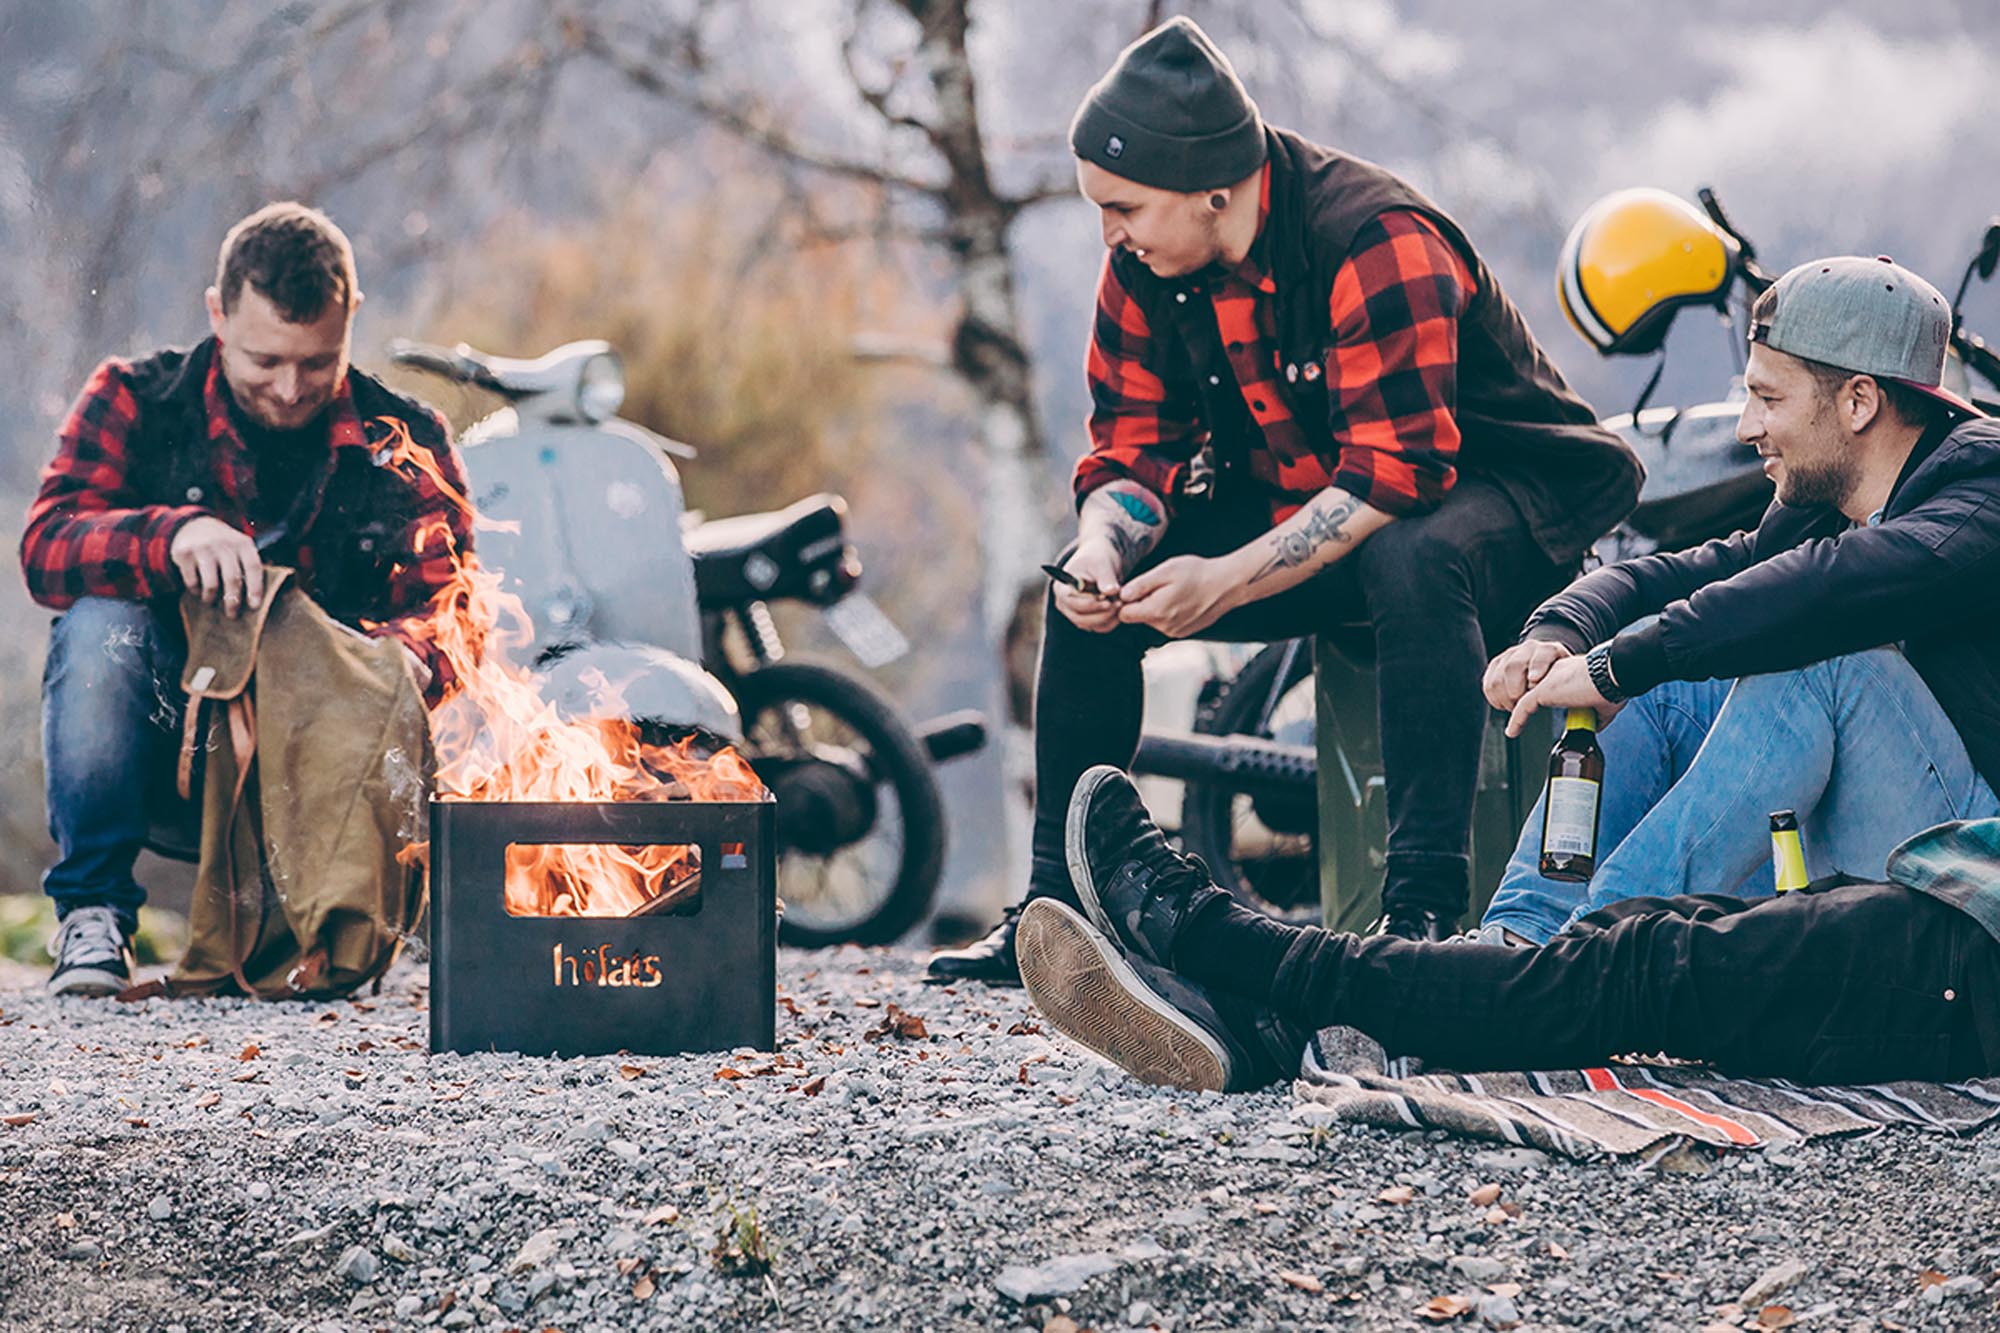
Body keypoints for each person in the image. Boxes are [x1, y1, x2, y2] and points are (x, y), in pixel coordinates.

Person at [928, 17, 1641, 984]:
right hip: (1318, 491)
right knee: (1084, 597)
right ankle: (1058, 911)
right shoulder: (1149, 265)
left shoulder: (1376, 238)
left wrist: (1223, 582)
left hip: (1509, 501)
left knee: (1413, 551)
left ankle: (1422, 915)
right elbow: (1134, 448)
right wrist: (1102, 543)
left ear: (1212, 190)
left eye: (1125, 207)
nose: (1110, 233)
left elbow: (1396, 471)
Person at [1475, 255, 2000, 944]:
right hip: (1874, 844)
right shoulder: (1819, 505)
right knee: (1657, 691)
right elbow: (1675, 580)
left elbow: (1827, 590)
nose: (1745, 426)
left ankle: (1578, 964)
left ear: (1859, 401)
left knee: (1820, 659)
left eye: (1770, 398)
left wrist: (1617, 665)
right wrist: (1562, 633)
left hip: (1973, 872)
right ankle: (1514, 942)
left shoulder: (1980, 490)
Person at [20, 201, 471, 997]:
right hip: (168, 755)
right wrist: (168, 537)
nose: (292, 388)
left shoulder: (409, 438)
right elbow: (46, 548)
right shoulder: (132, 397)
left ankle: (369, 919)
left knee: (404, 677)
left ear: (351, 317)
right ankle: (92, 912)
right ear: (217, 313)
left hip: (322, 776)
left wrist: (394, 664)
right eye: (265, 361)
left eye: (318, 361)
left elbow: (454, 613)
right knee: (98, 627)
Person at [1016, 765, 2000, 1091]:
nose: (1746, 421)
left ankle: (1216, 942)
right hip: (1961, 909)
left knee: (1632, 964)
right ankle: (1260, 1020)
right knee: (1641, 922)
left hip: (1971, 969)